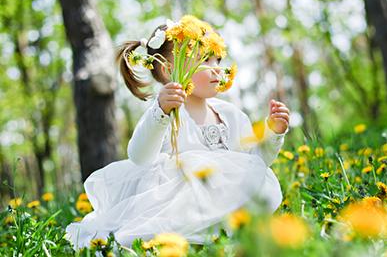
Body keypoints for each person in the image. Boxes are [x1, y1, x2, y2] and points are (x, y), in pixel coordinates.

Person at [65, 22, 290, 251]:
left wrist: (273, 133)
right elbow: (139, 156)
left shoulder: (231, 114)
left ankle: (229, 241)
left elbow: (254, 163)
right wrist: (161, 112)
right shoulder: (165, 111)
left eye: (217, 60)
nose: (216, 69)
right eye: (204, 60)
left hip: (223, 207)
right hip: (177, 208)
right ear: (168, 70)